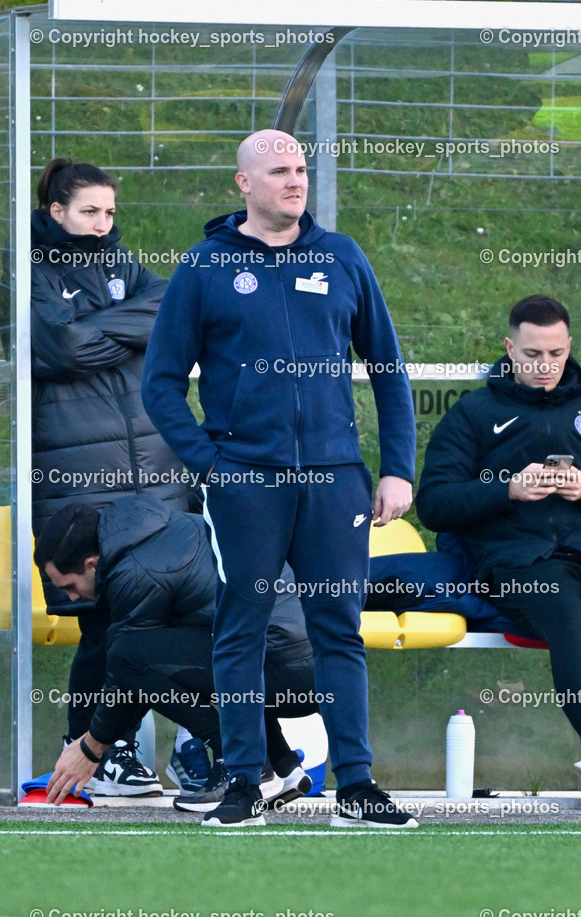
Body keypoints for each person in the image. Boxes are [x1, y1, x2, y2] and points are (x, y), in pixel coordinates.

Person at [141, 129, 418, 829]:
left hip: (335, 483)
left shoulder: (341, 256)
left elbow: (387, 368)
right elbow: (161, 382)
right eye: (277, 172)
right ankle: (245, 783)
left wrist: (395, 470)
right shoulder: (204, 267)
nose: (293, 182)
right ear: (243, 183)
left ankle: (355, 786)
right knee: (242, 630)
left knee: (338, 632)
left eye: (300, 170)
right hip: (247, 484)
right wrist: (211, 466)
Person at [416, 294, 581, 810]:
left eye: (554, 354)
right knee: (563, 614)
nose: (544, 366)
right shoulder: (474, 413)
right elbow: (434, 502)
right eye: (531, 355)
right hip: (516, 557)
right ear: (509, 348)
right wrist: (506, 489)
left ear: (569, 347)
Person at [26, 158, 193, 795]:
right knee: (104, 622)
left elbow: (172, 311)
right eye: (89, 211)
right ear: (57, 213)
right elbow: (58, 349)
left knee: (163, 616)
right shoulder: (31, 269)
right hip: (79, 480)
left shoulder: (125, 268)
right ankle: (99, 752)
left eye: (110, 212)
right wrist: (129, 333)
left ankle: (185, 749)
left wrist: (94, 334)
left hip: (156, 475)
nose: (103, 224)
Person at [38, 495, 318, 810]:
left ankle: (243, 766)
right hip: (308, 660)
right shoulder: (159, 529)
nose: (73, 598)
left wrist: (90, 748)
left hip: (287, 669)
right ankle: (283, 766)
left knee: (126, 654)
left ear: (91, 563)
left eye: (70, 587)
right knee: (207, 647)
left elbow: (129, 677)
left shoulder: (132, 571)